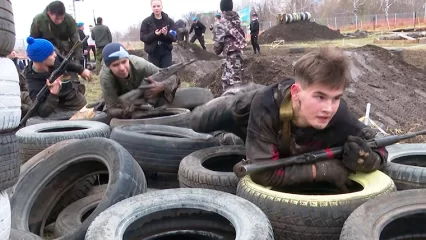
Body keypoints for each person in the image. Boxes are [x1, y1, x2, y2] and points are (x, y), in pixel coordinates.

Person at [191, 47, 387, 192]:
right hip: (243, 110)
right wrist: (322, 169)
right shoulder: (265, 106)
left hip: (271, 134)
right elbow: (262, 173)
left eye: (336, 98)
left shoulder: (339, 115)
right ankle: (238, 92)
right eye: (320, 97)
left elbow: (379, 146)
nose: (328, 108)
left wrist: (369, 160)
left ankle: (249, 142)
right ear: (296, 93)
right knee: (198, 121)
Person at [99, 43, 180, 119]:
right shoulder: (106, 78)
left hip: (144, 99)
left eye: (124, 62)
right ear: (108, 67)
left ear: (128, 59)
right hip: (122, 103)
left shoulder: (141, 64)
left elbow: (173, 77)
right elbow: (111, 109)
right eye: (115, 65)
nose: (122, 68)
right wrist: (124, 112)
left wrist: (161, 86)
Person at [23, 37, 92, 118]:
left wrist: (81, 70)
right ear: (42, 59)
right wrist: (53, 94)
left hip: (74, 96)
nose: (55, 55)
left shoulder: (52, 58)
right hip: (57, 109)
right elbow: (42, 111)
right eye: (51, 54)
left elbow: (65, 62)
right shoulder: (34, 84)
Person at [214, 0, 246, 93]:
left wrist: (217, 49)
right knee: (226, 79)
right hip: (238, 54)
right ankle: (228, 102)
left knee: (233, 84)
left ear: (222, 9)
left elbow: (217, 45)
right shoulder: (237, 20)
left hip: (231, 55)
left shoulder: (222, 23)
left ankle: (237, 105)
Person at [140, 0, 176, 68]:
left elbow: (174, 37)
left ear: (162, 6)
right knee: (155, 74)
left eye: (158, 6)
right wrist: (154, 34)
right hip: (153, 52)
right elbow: (143, 37)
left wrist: (166, 34)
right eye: (154, 6)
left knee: (166, 74)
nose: (156, 8)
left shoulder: (169, 21)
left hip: (166, 51)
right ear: (151, 7)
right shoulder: (146, 22)